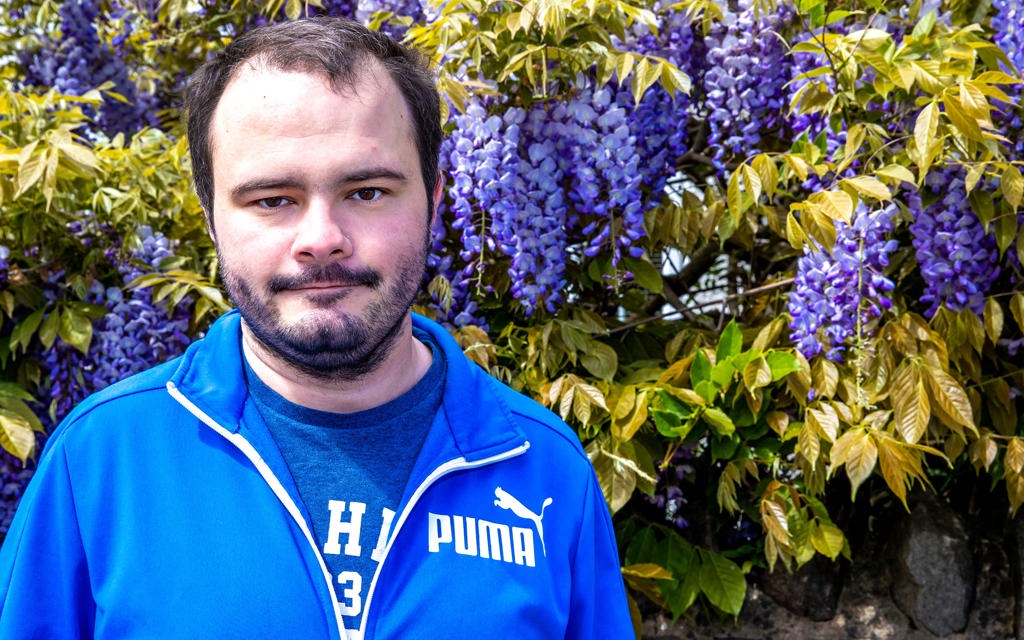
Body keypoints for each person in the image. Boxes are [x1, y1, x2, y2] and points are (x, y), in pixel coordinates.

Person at [0, 16, 633, 640]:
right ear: (210, 217)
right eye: (272, 200)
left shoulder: (544, 468)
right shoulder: (100, 459)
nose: (322, 241)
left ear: (436, 201)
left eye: (367, 191)